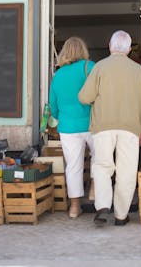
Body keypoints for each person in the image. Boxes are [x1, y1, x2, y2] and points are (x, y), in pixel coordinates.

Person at [79, 30, 141, 227]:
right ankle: (121, 216)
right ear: (129, 49)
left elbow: (84, 97)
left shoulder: (100, 67)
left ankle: (103, 206)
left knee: (103, 167)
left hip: (103, 126)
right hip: (131, 129)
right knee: (127, 171)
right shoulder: (139, 71)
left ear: (110, 46)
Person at [49, 37, 96, 218]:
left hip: (68, 126)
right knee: (98, 157)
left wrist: (61, 117)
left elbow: (53, 105)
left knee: (73, 166)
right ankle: (93, 188)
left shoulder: (58, 74)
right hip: (92, 122)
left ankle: (75, 207)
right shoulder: (90, 67)